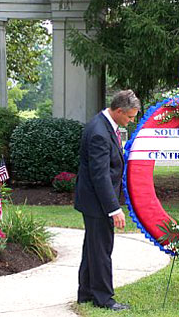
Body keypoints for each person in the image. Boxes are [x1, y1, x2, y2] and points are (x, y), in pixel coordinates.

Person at [75, 89, 140, 311]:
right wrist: (114, 208)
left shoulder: (104, 125)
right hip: (97, 203)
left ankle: (86, 293)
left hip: (93, 200)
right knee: (102, 249)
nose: (131, 121)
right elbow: (100, 174)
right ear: (119, 110)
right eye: (130, 117)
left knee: (93, 248)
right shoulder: (99, 133)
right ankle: (104, 298)